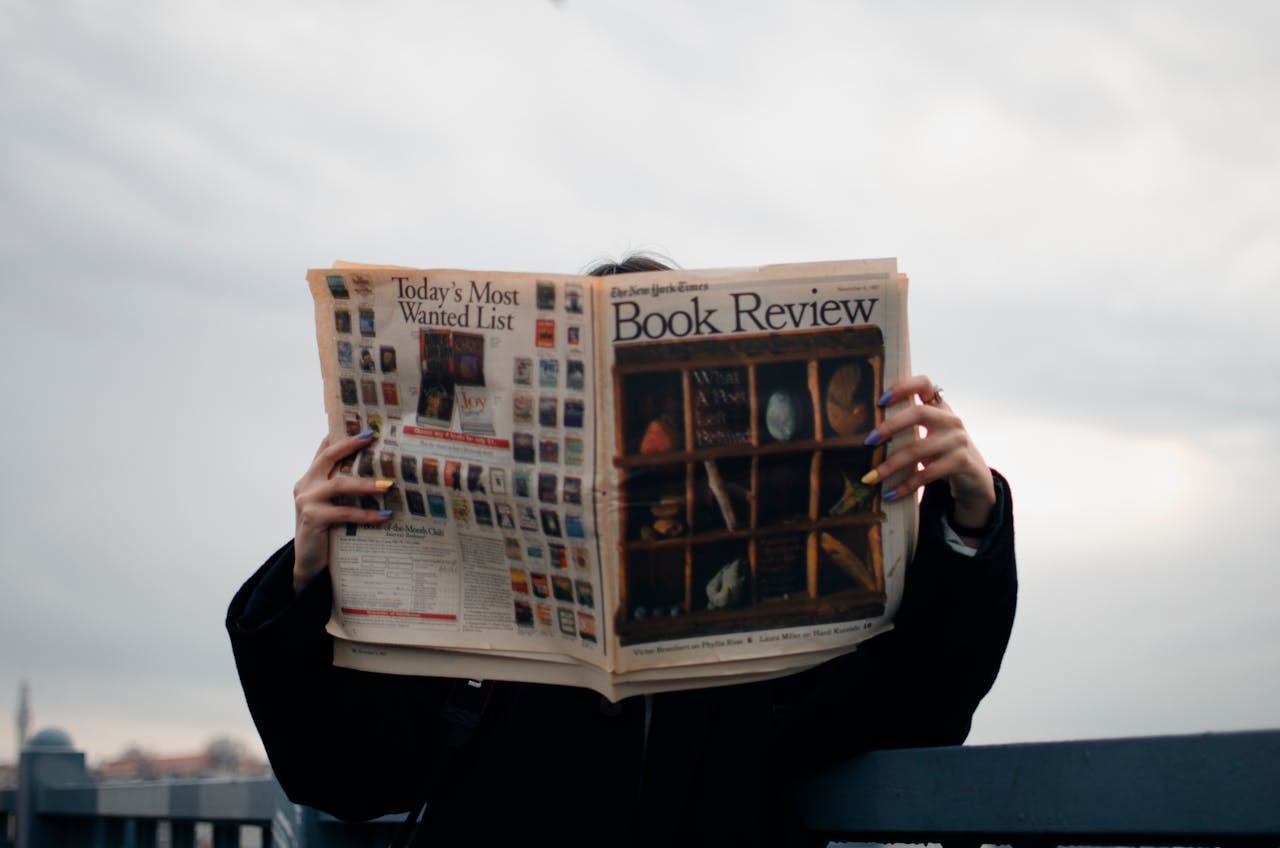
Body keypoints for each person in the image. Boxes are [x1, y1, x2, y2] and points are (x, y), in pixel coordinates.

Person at [227, 256, 1016, 848]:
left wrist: (968, 516)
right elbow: (342, 773)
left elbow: (920, 707)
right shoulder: (480, 639)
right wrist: (308, 574)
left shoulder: (766, 620)